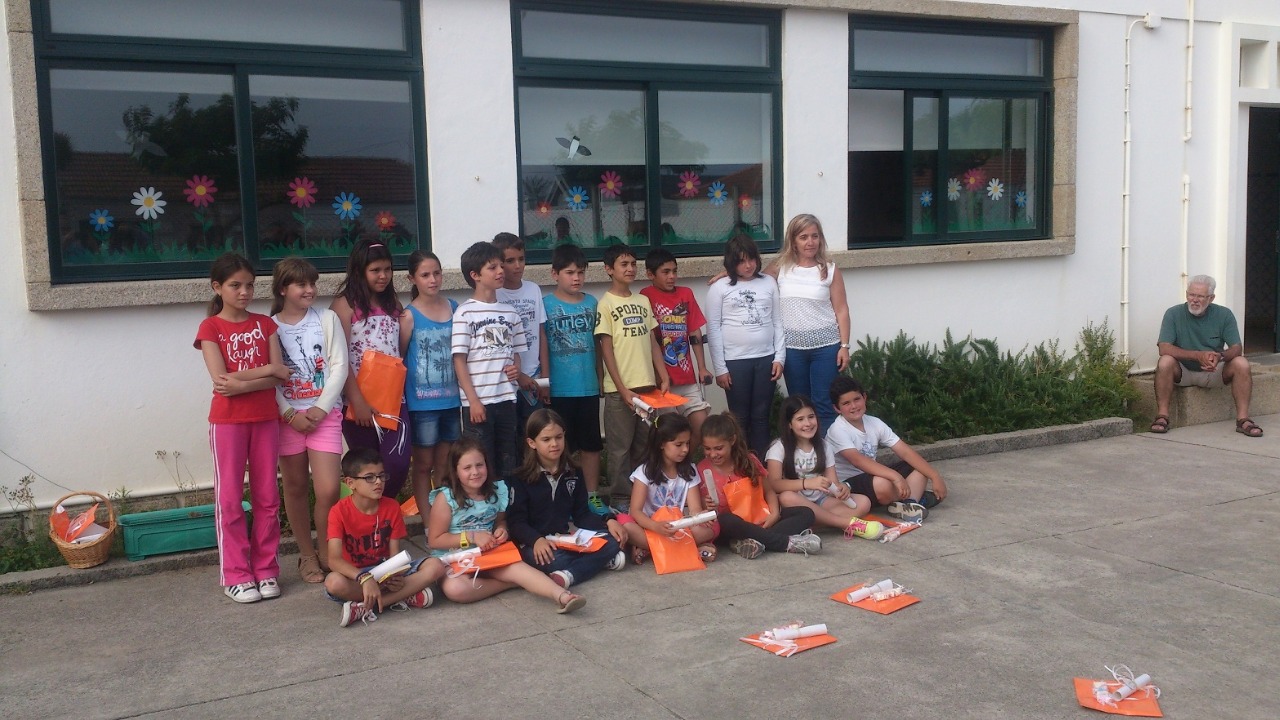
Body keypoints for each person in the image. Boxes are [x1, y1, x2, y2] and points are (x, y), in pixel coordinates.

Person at [194, 253, 291, 603]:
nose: (244, 292)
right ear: (217, 287)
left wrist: (243, 380)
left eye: (249, 285)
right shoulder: (210, 328)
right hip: (228, 423)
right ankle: (236, 574)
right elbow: (222, 383)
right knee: (230, 499)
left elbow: (280, 374)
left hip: (266, 420)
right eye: (235, 285)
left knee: (268, 497)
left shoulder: (265, 325)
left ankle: (266, 569)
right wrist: (266, 373)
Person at [708, 214, 851, 433]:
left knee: (824, 404)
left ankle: (826, 450)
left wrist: (844, 346)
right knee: (799, 404)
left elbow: (841, 310)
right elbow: (750, 277)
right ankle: (803, 449)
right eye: (803, 237)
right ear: (793, 240)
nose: (810, 242)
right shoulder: (781, 267)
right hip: (792, 350)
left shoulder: (829, 269)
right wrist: (728, 272)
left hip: (826, 347)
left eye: (815, 236)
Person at [427, 437, 587, 613]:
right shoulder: (445, 498)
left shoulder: (497, 491)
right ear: (455, 471)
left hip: (487, 553)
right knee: (456, 589)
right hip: (453, 558)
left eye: (479, 465)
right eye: (467, 468)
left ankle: (563, 596)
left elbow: (500, 521)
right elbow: (435, 540)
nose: (475, 472)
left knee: (518, 569)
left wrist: (502, 530)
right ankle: (511, 584)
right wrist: (472, 536)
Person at [272, 257, 348, 583]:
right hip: (287, 420)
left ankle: (329, 550)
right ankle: (306, 554)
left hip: (324, 416)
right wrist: (289, 414)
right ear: (282, 289)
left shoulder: (327, 319)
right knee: (295, 486)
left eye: (312, 283)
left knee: (328, 488)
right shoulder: (270, 327)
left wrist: (320, 408)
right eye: (301, 284)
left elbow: (339, 366)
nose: (310, 290)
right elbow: (271, 380)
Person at [324, 448, 445, 628]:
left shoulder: (392, 507)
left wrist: (397, 577)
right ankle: (404, 596)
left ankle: (366, 607)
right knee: (333, 582)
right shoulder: (338, 512)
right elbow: (333, 560)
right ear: (350, 482)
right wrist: (364, 578)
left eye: (381, 476)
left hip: (385, 572)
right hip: (355, 575)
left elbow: (395, 556)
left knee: (436, 566)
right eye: (369, 477)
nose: (378, 482)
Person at [506, 409, 627, 589]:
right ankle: (588, 566)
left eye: (559, 437)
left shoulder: (574, 472)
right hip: (534, 544)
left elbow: (581, 514)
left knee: (614, 539)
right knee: (554, 561)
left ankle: (574, 571)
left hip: (564, 539)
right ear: (532, 443)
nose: (554, 444)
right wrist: (536, 540)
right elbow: (516, 523)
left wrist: (608, 520)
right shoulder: (520, 478)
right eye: (546, 439)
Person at [331, 239, 411, 499]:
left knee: (397, 464)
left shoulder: (393, 304)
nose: (383, 276)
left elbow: (398, 351)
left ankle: (381, 511)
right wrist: (357, 401)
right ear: (359, 270)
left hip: (393, 401)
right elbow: (339, 358)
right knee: (366, 470)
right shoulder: (344, 305)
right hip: (358, 402)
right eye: (375, 270)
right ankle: (362, 518)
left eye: (388, 269)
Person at [595, 243, 670, 509]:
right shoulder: (605, 304)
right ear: (609, 269)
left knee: (644, 444)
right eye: (623, 264)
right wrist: (622, 389)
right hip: (621, 392)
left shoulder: (643, 301)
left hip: (647, 387)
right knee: (620, 448)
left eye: (633, 264)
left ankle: (641, 494)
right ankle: (620, 498)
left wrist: (663, 375)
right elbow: (606, 350)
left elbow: (652, 342)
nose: (630, 269)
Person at [696, 412, 820, 558]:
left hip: (760, 518)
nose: (713, 454)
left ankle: (753, 542)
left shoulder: (749, 461)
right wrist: (708, 506)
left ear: (732, 440)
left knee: (806, 513)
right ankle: (786, 543)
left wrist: (774, 513)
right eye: (707, 449)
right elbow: (703, 512)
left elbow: (769, 491)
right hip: (733, 527)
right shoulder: (702, 469)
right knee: (726, 520)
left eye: (718, 448)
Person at [1152, 274, 1262, 437]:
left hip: (1214, 370)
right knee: (1165, 361)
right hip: (1183, 370)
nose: (1194, 300)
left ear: (1211, 298)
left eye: (1200, 296)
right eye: (1191, 295)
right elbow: (1164, 347)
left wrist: (1220, 357)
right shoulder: (1173, 313)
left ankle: (1243, 420)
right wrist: (1197, 355)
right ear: (1186, 294)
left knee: (1241, 363)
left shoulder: (1224, 314)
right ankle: (1162, 416)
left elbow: (1236, 348)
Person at [705, 234, 785, 458]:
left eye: (751, 259)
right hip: (735, 361)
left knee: (761, 416)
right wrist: (720, 368)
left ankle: (761, 464)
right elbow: (713, 328)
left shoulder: (768, 282)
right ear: (731, 262)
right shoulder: (719, 287)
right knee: (739, 417)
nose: (748, 265)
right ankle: (741, 464)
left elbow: (777, 322)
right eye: (741, 261)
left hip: (766, 358)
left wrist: (779, 358)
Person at [452, 241, 527, 479]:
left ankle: (506, 502)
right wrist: (473, 401)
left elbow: (516, 352)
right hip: (479, 402)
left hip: (506, 398)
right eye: (492, 267)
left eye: (501, 266)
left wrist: (516, 369)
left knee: (508, 460)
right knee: (481, 460)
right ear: (475, 275)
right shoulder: (464, 313)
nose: (500, 271)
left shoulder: (510, 312)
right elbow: (459, 360)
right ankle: (484, 502)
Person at [826, 376, 947, 521]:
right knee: (883, 484)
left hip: (872, 476)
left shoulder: (875, 423)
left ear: (864, 397)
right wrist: (896, 477)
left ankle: (909, 504)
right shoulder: (837, 430)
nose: (853, 406)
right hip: (849, 484)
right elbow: (858, 461)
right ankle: (914, 497)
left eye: (857, 399)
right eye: (846, 403)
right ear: (837, 408)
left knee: (918, 467)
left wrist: (934, 476)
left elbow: (905, 451)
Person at [542, 244, 607, 513]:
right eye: (569, 272)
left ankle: (592, 496)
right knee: (559, 446)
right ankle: (561, 496)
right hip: (559, 389)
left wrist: (600, 378)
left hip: (587, 387)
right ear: (555, 274)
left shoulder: (592, 303)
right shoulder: (545, 304)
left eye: (580, 272)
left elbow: (599, 344)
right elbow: (542, 345)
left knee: (591, 445)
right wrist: (545, 382)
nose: (576, 278)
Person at [766, 395, 883, 540]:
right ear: (789, 424)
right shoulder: (779, 447)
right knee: (786, 497)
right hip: (796, 503)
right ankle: (846, 523)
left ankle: (813, 523)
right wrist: (806, 483)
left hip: (821, 501)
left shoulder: (824, 445)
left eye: (811, 417)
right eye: (800, 419)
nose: (808, 423)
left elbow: (833, 482)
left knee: (864, 502)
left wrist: (841, 489)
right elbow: (774, 484)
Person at [399, 250, 460, 526]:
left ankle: (445, 520)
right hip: (422, 405)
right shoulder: (408, 316)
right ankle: (427, 522)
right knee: (423, 466)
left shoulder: (455, 308)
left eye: (436, 273)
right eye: (425, 275)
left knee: (445, 466)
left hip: (452, 402)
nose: (432, 279)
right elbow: (401, 358)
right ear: (412, 279)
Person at [619, 414, 716, 564]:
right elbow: (636, 511)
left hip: (678, 527)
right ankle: (686, 548)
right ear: (661, 444)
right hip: (649, 527)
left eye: (687, 443)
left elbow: (694, 508)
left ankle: (650, 549)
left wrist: (701, 516)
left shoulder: (689, 470)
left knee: (714, 525)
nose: (685, 449)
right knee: (623, 522)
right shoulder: (644, 471)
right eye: (679, 444)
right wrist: (655, 526)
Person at [641, 248, 713, 448]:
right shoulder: (645, 296)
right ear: (650, 274)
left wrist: (702, 367)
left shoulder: (685, 294)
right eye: (665, 272)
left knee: (702, 428)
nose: (672, 276)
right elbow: (647, 340)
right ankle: (668, 465)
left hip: (686, 377)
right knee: (670, 434)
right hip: (662, 381)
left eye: (674, 271)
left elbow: (694, 332)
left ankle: (685, 464)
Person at [494, 233, 549, 433]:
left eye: (521, 259)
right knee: (510, 436)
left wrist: (545, 378)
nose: (518, 266)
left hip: (534, 378)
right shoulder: (495, 294)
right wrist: (519, 376)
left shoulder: (533, 289)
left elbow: (541, 333)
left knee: (534, 433)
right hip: (506, 381)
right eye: (510, 261)